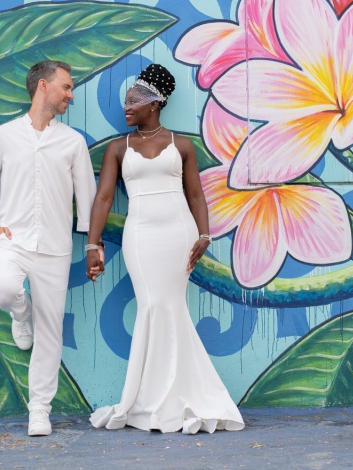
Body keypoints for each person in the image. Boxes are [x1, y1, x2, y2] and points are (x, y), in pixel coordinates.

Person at [85, 64, 244, 434]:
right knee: (152, 306)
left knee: (171, 307)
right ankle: (145, 400)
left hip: (179, 234)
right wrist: (93, 244)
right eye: (125, 102)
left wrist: (204, 236)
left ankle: (174, 397)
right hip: (140, 237)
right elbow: (104, 197)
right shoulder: (117, 148)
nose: (125, 108)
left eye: (132, 102)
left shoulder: (182, 145)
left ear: (154, 104)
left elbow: (195, 195)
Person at [0, 61, 96, 436]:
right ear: (44, 86)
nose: (71, 95)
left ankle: (39, 409)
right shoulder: (5, 136)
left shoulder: (72, 142)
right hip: (13, 240)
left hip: (56, 248)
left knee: (51, 330)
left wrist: (91, 245)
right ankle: (20, 314)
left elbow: (86, 200)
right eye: (67, 87)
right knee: (5, 291)